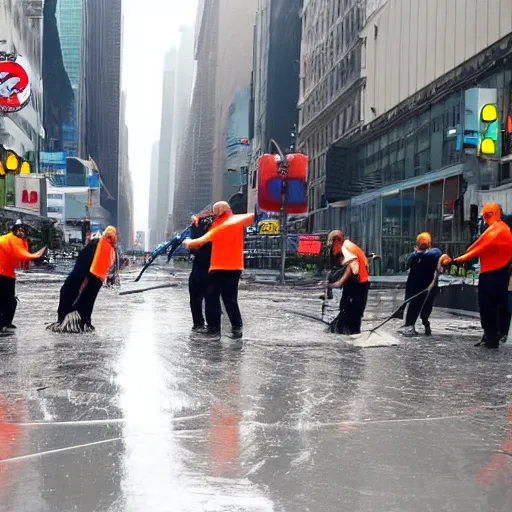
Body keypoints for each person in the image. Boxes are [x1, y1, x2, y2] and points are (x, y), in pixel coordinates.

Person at [183, 201, 254, 339]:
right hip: (234, 267)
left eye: (215, 212)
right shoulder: (237, 221)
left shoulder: (217, 227)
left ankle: (214, 329)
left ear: (219, 212)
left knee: (211, 297)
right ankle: (237, 328)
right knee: (230, 299)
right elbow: (256, 216)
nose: (213, 215)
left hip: (217, 267)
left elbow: (197, 243)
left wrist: (187, 241)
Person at [449, 204, 512, 349]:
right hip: (495, 272)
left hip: (496, 272)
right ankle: (492, 335)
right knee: (493, 305)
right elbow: (478, 245)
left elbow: (480, 246)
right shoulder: (493, 228)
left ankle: (494, 336)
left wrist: (459, 259)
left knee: (492, 305)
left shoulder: (499, 230)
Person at [47, 226, 117, 333]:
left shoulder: (100, 245)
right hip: (90, 281)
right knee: (83, 300)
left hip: (84, 279)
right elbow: (99, 267)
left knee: (72, 296)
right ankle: (78, 322)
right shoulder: (105, 247)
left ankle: (70, 321)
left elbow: (86, 261)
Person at [0, 220, 46, 332]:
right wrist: (33, 256)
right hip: (3, 275)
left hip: (7, 273)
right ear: (15, 230)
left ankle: (6, 323)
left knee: (9, 301)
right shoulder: (13, 240)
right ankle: (3, 324)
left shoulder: (7, 238)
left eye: (22, 230)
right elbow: (20, 253)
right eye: (20, 230)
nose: (21, 233)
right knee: (8, 301)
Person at [327, 230, 370, 335]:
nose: (331, 249)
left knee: (351, 314)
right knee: (348, 313)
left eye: (331, 245)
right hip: (359, 285)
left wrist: (340, 282)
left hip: (357, 287)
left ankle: (350, 338)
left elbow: (353, 268)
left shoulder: (345, 248)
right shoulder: (349, 245)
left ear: (337, 240)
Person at [402, 232, 443, 337]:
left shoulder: (432, 254)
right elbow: (407, 265)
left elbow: (439, 265)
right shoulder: (415, 256)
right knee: (415, 306)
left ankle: (422, 324)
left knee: (424, 307)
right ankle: (412, 326)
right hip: (417, 286)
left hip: (428, 286)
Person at [188, 212, 213, 331]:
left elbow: (194, 247)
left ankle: (202, 324)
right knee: (206, 299)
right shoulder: (214, 229)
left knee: (202, 300)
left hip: (204, 270)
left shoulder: (210, 233)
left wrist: (194, 227)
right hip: (206, 270)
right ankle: (208, 325)